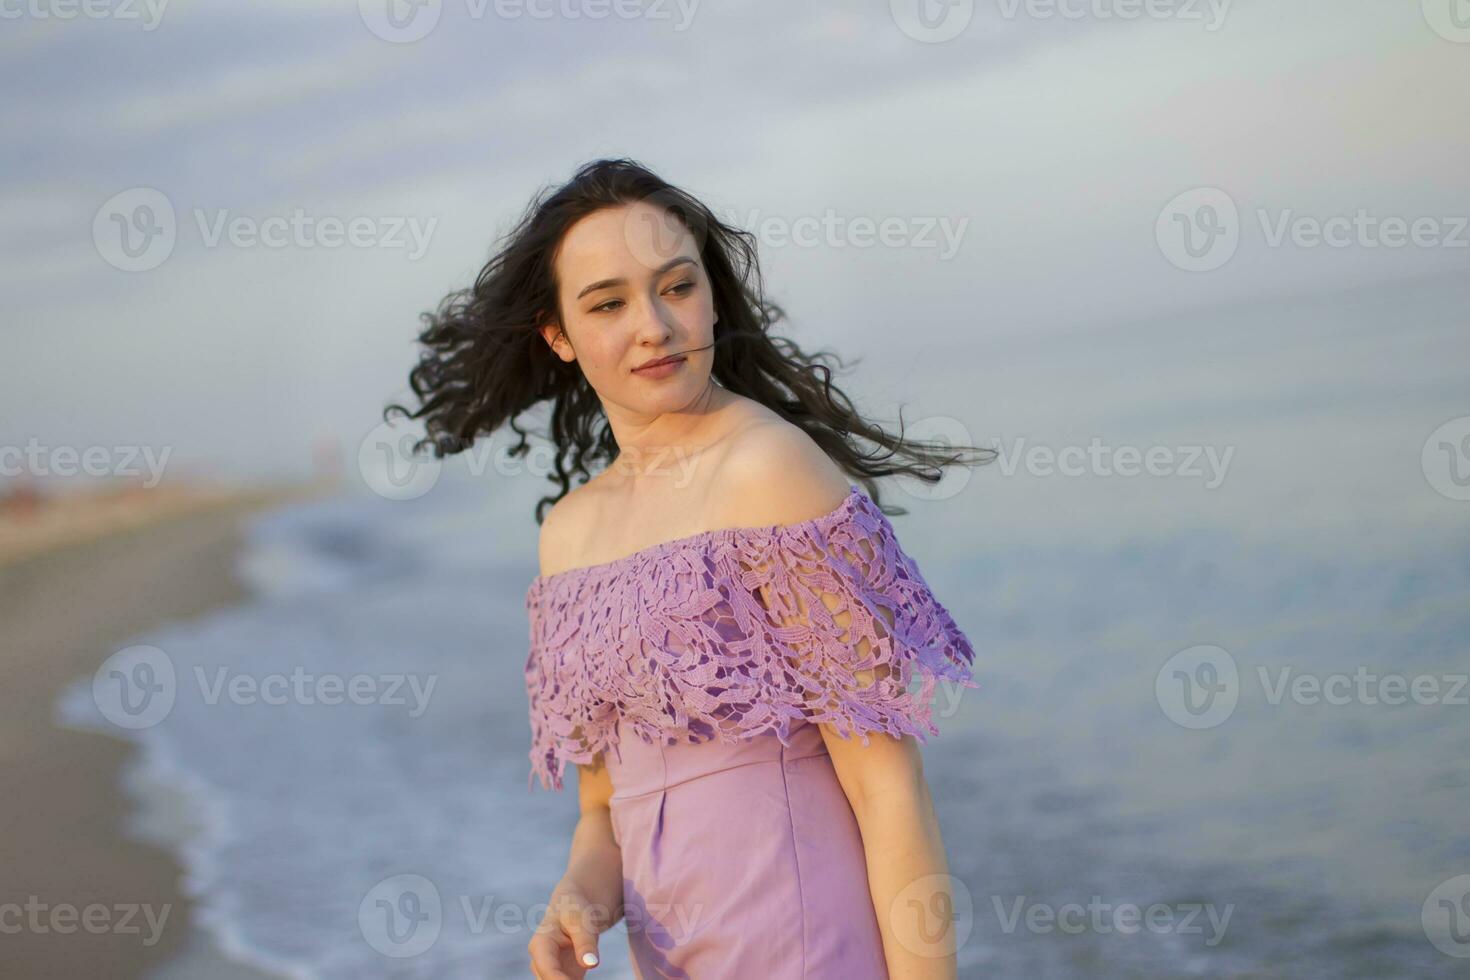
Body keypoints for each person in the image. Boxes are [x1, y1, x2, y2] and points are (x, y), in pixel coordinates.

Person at [386, 158, 994, 979]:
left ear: (710, 295)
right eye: (608, 303)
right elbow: (604, 811)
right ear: (558, 335)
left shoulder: (768, 471)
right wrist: (577, 898)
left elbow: (889, 789)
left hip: (810, 950)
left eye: (676, 287)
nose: (655, 326)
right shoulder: (569, 536)